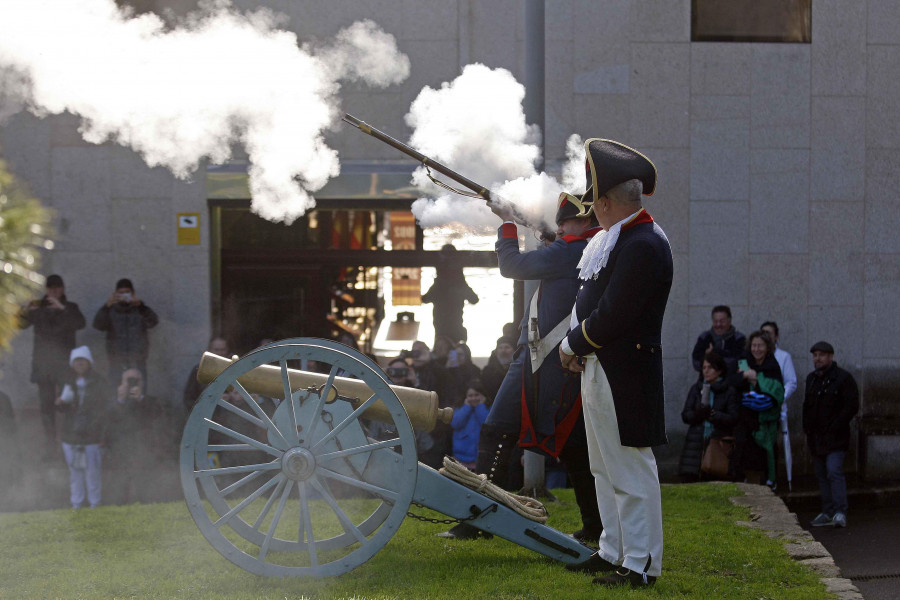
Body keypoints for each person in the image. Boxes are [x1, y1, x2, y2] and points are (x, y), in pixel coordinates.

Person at [442, 191, 603, 543]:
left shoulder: (570, 250)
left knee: (497, 429)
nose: (560, 228)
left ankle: (479, 520)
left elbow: (510, 266)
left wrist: (507, 222)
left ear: (581, 221)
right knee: (575, 444)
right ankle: (594, 526)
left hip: (542, 361)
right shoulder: (588, 250)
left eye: (565, 222)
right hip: (552, 360)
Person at [560, 139, 672, 587]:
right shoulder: (621, 238)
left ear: (605, 201)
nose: (592, 212)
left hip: (623, 370)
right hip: (603, 365)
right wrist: (578, 347)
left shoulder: (643, 243)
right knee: (603, 467)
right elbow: (592, 300)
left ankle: (641, 564)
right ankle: (613, 550)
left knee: (629, 468)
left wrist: (572, 345)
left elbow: (614, 315)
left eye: (594, 203)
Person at [18, 274, 86, 455]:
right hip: (43, 365)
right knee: (46, 407)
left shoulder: (70, 307)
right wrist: (24, 310)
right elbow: (19, 324)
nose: (53, 291)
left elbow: (81, 323)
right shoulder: (38, 308)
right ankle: (50, 446)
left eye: (56, 288)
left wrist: (62, 308)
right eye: (50, 288)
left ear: (63, 289)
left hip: (64, 366)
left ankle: (69, 441)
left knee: (68, 403)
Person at [803, 341, 859, 528]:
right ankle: (828, 511)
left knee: (834, 471)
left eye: (821, 355)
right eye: (815, 355)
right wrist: (808, 430)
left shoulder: (843, 378)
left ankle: (839, 511)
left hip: (836, 437)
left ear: (831, 356)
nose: (817, 358)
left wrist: (835, 426)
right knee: (821, 474)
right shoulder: (812, 379)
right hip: (817, 438)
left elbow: (851, 406)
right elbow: (807, 407)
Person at [728, 331, 784, 488]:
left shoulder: (773, 365)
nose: (756, 349)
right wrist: (745, 375)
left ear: (767, 347)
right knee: (743, 453)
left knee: (764, 455)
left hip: (765, 421)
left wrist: (758, 379)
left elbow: (777, 391)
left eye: (760, 345)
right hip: (745, 419)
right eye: (754, 345)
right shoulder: (743, 362)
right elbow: (730, 380)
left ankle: (767, 484)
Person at [55, 346, 107, 509]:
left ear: (89, 362)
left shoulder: (99, 382)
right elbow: (63, 409)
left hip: (92, 435)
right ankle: (76, 504)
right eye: (76, 361)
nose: (79, 363)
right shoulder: (67, 381)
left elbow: (104, 408)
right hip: (71, 434)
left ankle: (95, 504)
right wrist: (60, 403)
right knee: (75, 472)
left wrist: (100, 433)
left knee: (93, 472)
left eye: (83, 360)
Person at [107, 368, 170, 504]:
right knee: (120, 486)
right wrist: (120, 400)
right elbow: (110, 420)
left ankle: (146, 506)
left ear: (142, 383)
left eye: (135, 380)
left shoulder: (149, 401)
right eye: (128, 380)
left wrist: (141, 399)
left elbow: (156, 415)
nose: (132, 383)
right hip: (121, 449)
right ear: (121, 383)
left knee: (145, 485)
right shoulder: (115, 402)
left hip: (144, 448)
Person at [678, 352, 740, 482]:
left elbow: (733, 417)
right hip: (696, 442)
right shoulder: (696, 389)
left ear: (719, 370)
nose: (706, 371)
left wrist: (714, 415)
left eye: (710, 367)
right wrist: (698, 414)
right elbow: (686, 414)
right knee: (690, 480)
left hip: (717, 441)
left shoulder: (728, 391)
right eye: (704, 367)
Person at [92, 278, 159, 383]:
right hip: (116, 361)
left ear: (133, 293)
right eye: (121, 293)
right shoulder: (110, 310)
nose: (124, 295)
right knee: (115, 393)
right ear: (115, 294)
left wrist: (141, 305)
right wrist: (106, 306)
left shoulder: (140, 309)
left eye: (127, 292)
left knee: (137, 393)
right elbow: (98, 325)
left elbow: (153, 322)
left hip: (137, 360)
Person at [760, 321, 798, 489]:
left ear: (776, 336)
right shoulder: (755, 355)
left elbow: (791, 382)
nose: (766, 337)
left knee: (772, 442)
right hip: (758, 407)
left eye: (769, 333)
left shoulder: (783, 357)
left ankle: (772, 478)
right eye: (763, 333)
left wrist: (778, 396)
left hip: (775, 406)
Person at [421, 244, 479, 343]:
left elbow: (425, 299)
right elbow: (474, 299)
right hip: (451, 325)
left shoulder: (440, 284)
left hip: (443, 326)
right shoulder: (458, 284)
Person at [691, 306, 746, 377]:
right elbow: (696, 363)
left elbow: (741, 364)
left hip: (732, 382)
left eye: (722, 321)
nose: (718, 324)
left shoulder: (739, 338)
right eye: (715, 321)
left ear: (729, 321)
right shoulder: (704, 337)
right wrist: (706, 357)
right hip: (707, 382)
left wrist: (713, 355)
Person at [450, 379, 491, 469]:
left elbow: (487, 425)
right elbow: (455, 423)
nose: (473, 398)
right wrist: (466, 407)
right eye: (470, 395)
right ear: (465, 397)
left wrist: (480, 407)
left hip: (479, 459)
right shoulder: (460, 408)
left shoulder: (489, 408)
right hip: (460, 458)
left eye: (477, 395)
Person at [183, 336, 230, 414]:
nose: (220, 353)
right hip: (205, 416)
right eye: (216, 350)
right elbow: (188, 398)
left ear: (227, 350)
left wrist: (231, 398)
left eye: (223, 350)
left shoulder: (233, 370)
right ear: (210, 351)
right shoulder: (199, 370)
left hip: (229, 418)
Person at [480, 335, 515, 400]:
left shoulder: (520, 371)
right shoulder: (487, 372)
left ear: (514, 351)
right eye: (500, 348)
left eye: (507, 347)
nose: (503, 351)